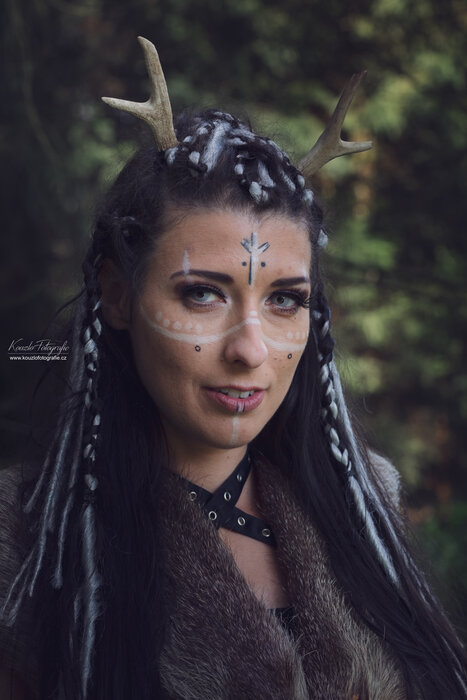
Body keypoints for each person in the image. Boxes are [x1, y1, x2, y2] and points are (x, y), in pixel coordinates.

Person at [1, 36, 466, 700]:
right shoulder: (23, 544)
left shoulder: (366, 506)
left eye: (284, 300)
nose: (250, 350)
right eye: (202, 294)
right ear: (118, 294)